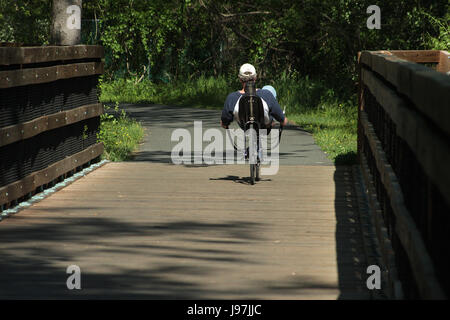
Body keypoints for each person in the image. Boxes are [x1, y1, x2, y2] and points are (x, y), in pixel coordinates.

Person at [220, 63, 288, 130]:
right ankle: (272, 120)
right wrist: (283, 120)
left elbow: (224, 121)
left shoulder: (232, 98)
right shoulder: (267, 94)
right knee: (269, 91)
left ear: (240, 79)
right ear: (255, 78)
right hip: (264, 126)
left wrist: (224, 124)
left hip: (244, 126)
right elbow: (283, 121)